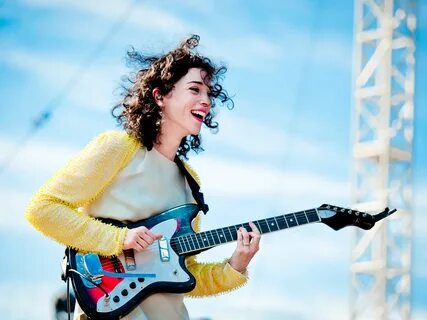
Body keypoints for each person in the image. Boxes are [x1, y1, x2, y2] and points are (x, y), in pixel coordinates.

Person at [25, 35, 261, 320]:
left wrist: (235, 266)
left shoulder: (190, 182)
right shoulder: (119, 148)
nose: (206, 101)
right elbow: (42, 208)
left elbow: (181, 275)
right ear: (160, 96)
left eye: (209, 94)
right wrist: (120, 239)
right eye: (195, 89)